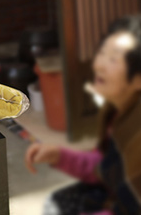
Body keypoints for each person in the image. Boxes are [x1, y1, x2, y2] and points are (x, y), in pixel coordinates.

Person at [25, 14, 141, 214]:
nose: (98, 65)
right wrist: (59, 156)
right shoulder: (116, 111)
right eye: (102, 53)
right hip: (117, 200)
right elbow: (104, 166)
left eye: (113, 59)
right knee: (57, 203)